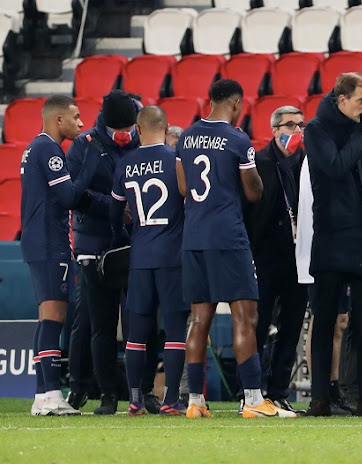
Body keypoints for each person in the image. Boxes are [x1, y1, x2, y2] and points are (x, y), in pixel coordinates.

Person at [175, 79, 294, 419]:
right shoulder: (237, 139)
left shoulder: (186, 137)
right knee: (246, 317)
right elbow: (254, 192)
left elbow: (184, 187)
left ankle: (195, 402)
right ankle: (255, 400)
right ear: (238, 103)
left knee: (199, 319)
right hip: (227, 237)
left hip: (193, 238)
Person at [302, 72, 362, 417]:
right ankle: (321, 398)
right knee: (326, 320)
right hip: (332, 237)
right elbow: (335, 167)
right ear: (341, 101)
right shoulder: (317, 130)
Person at [66, 89, 146, 415]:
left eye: (131, 127)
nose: (126, 134)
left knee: (139, 323)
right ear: (107, 123)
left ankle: (141, 394)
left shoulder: (142, 141)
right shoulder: (84, 147)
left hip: (135, 244)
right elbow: (73, 194)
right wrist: (113, 206)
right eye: (121, 129)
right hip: (95, 244)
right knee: (99, 325)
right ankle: (106, 394)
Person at [109, 106, 189, 416]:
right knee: (174, 329)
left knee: (137, 332)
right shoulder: (175, 160)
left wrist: (127, 234)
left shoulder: (126, 164)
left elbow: (114, 214)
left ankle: (134, 399)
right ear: (167, 127)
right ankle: (170, 398)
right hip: (173, 256)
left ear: (138, 130)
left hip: (140, 256)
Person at [22, 95, 96, 416]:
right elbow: (68, 196)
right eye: (76, 117)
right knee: (54, 318)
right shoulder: (49, 150)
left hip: (37, 241)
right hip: (50, 242)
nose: (81, 123)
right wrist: (90, 166)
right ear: (58, 120)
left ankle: (42, 394)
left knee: (46, 319)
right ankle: (52, 394)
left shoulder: (33, 148)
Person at [244, 106, 308, 414]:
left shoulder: (308, 162)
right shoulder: (259, 162)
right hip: (266, 253)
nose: (296, 130)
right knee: (259, 323)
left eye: (300, 125)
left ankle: (279, 390)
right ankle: (252, 391)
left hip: (300, 255)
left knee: (291, 326)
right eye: (289, 125)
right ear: (274, 129)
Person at [295, 155, 353, 416]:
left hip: (340, 247)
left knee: (340, 320)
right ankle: (319, 390)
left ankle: (332, 387)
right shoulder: (317, 158)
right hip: (320, 250)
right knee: (322, 320)